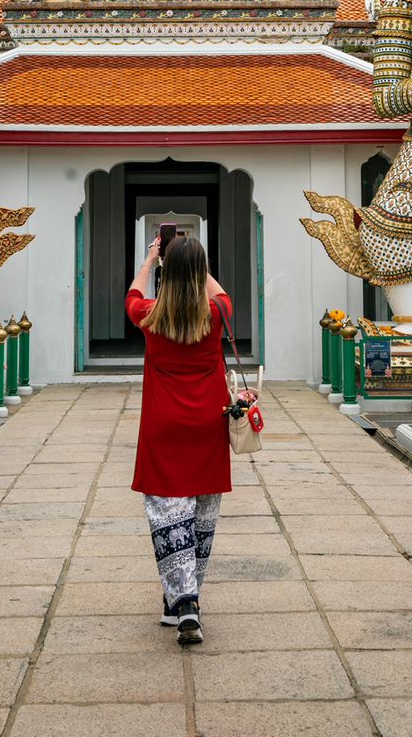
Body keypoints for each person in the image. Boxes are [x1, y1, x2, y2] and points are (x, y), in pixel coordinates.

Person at [126, 233, 233, 645]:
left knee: (168, 515)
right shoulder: (216, 313)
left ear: (168, 272)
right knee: (201, 517)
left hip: (163, 424)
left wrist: (153, 260)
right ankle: (184, 599)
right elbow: (220, 291)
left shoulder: (149, 315)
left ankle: (183, 600)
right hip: (207, 423)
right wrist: (195, 263)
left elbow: (132, 294)